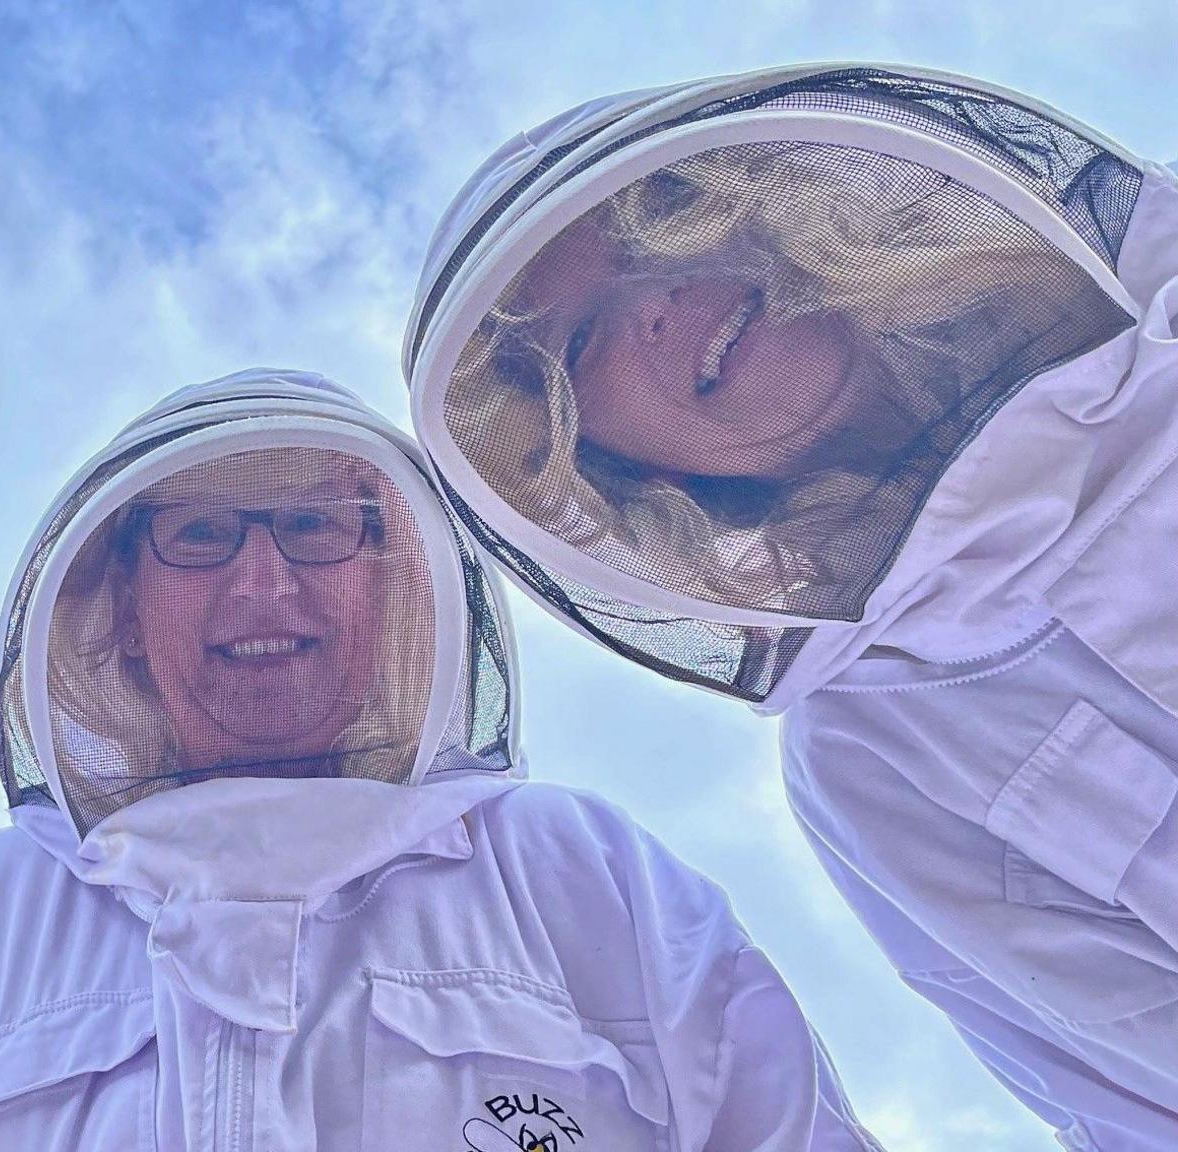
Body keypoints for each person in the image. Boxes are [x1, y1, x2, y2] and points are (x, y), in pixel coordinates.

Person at [0, 370, 881, 1150]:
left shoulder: (569, 868)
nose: (262, 584)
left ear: (393, 585)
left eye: (316, 527)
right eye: (201, 535)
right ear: (117, 606)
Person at [404, 63, 1178, 1149]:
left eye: (652, 231)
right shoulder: (876, 753)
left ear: (771, 207)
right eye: (580, 344)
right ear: (613, 467)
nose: (656, 305)